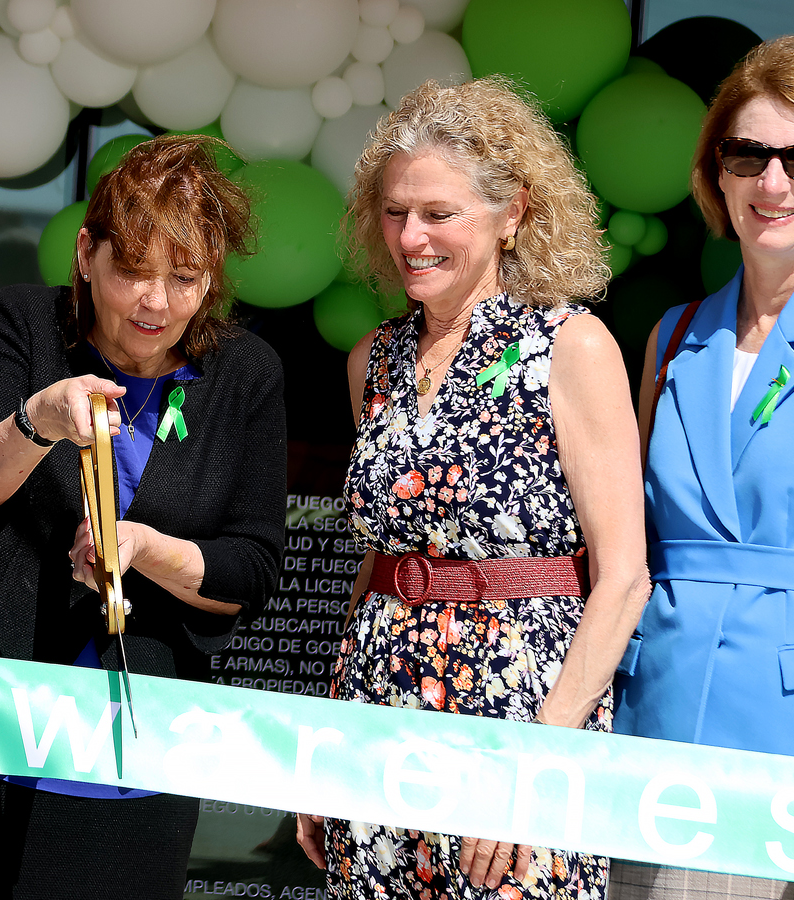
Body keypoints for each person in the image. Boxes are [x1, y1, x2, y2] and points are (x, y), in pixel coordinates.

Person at [295, 78, 650, 900]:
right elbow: (377, 566)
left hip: (520, 719)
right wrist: (328, 747)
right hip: (377, 712)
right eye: (394, 211)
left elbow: (624, 580)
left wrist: (536, 766)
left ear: (513, 211)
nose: (410, 236)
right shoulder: (371, 361)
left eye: (438, 213)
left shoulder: (571, 347)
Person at [0, 134, 288, 900]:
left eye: (185, 278)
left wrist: (148, 550)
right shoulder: (22, 325)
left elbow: (250, 570)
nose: (157, 302)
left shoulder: (245, 373)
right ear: (87, 254)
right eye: (135, 271)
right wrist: (37, 420)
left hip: (141, 752)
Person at [611, 35, 794, 900]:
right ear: (714, 174)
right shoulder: (675, 335)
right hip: (657, 721)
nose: (773, 182)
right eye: (748, 154)